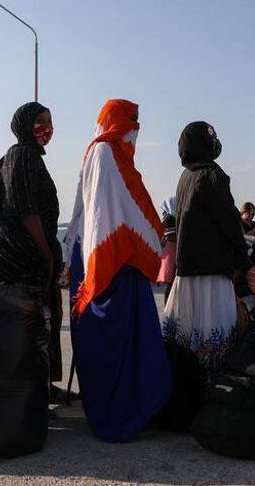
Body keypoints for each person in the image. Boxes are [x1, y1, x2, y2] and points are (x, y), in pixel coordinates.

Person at [67, 99, 171, 443]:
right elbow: (113, 215)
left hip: (119, 262)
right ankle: (118, 414)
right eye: (132, 121)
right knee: (115, 343)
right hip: (109, 265)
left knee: (134, 341)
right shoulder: (105, 155)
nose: (136, 130)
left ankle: (134, 408)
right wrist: (153, 241)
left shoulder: (113, 158)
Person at [0, 102, 64, 399]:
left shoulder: (25, 156)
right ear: (24, 125)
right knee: (26, 323)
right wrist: (45, 251)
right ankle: (25, 391)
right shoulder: (23, 155)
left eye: (50, 120)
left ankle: (39, 385)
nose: (47, 127)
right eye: (39, 121)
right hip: (20, 258)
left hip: (26, 254)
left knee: (39, 322)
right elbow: (25, 209)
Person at [162, 121, 251, 378]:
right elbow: (229, 221)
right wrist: (242, 259)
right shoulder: (212, 174)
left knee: (187, 332)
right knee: (214, 330)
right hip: (212, 270)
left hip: (187, 270)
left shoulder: (185, 177)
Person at [157, 197, 178, 300]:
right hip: (172, 251)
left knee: (171, 283)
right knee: (171, 283)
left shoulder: (169, 218)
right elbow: (170, 235)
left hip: (170, 251)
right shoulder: (170, 218)